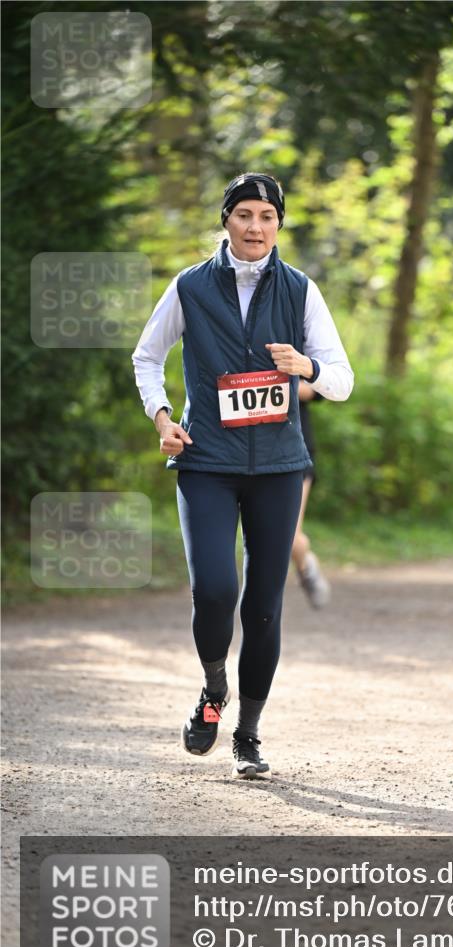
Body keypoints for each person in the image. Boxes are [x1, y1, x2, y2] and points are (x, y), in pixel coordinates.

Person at [132, 172, 354, 777]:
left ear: (279, 225)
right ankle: (212, 692)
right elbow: (147, 356)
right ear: (226, 220)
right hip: (206, 462)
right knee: (215, 590)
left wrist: (306, 366)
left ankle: (248, 735)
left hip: (279, 469)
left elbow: (341, 379)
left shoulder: (302, 290)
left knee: (262, 607)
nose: (255, 227)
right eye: (244, 215)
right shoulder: (190, 286)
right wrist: (161, 418)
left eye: (267, 217)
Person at [291, 382, 331, 608]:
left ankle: (306, 566)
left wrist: (274, 382)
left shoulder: (299, 345)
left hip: (296, 450)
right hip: (239, 451)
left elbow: (319, 390)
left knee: (288, 534)